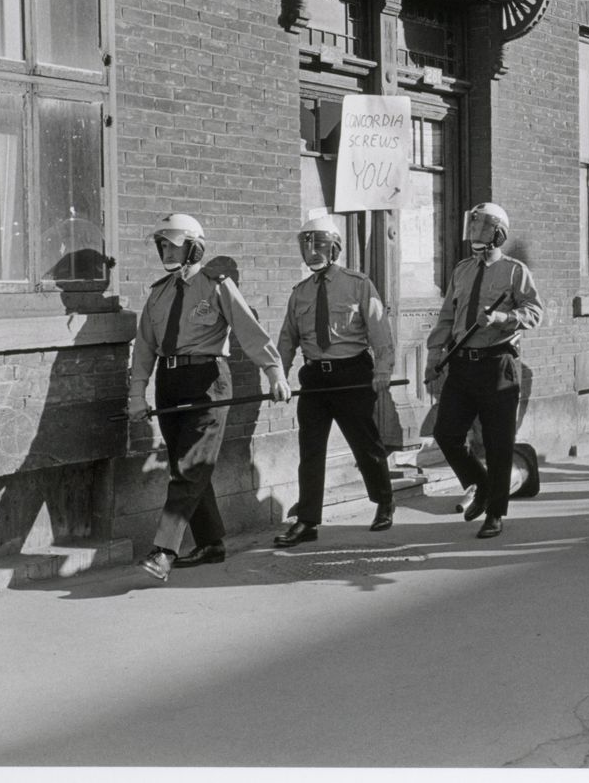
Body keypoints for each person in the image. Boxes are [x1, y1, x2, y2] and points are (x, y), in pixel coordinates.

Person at [127, 213, 291, 580]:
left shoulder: (216, 286)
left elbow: (249, 330)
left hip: (208, 380)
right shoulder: (158, 294)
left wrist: (274, 371)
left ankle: (164, 550)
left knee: (189, 467)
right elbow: (143, 350)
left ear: (193, 247)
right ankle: (212, 543)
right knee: (186, 467)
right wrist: (136, 395)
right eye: (162, 244)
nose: (165, 250)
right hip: (168, 383)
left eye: (172, 243)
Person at [273, 215, 399, 549]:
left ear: (335, 247)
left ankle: (384, 501)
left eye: (319, 243)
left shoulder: (358, 284)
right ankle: (308, 520)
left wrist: (382, 371)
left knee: (365, 444)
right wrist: (278, 376)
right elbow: (287, 339)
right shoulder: (300, 293)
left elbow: (380, 334)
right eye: (306, 244)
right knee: (310, 450)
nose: (312, 251)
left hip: (352, 375)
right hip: (314, 378)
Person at [425, 203, 543, 540]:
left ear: (499, 233)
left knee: (497, 442)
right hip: (462, 364)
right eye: (472, 228)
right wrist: (435, 354)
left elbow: (534, 312)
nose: (475, 235)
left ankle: (494, 513)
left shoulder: (514, 271)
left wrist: (503, 318)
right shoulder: (462, 270)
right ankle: (482, 484)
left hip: (498, 364)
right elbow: (447, 316)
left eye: (482, 229)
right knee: (446, 433)